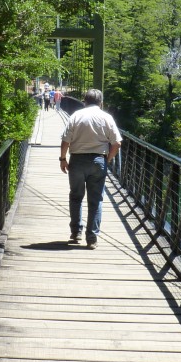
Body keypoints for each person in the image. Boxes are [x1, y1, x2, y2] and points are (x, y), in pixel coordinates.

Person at [59, 89, 121, 250]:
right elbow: (117, 143)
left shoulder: (76, 116)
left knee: (76, 196)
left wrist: (63, 159)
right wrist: (108, 159)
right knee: (96, 200)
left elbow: (65, 140)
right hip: (98, 160)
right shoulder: (107, 117)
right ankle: (92, 239)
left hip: (77, 161)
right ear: (101, 102)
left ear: (84, 101)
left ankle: (76, 233)